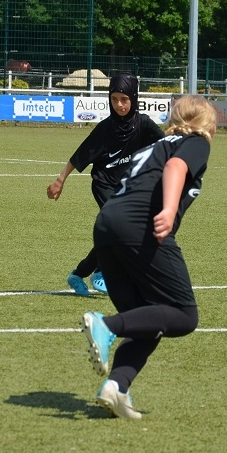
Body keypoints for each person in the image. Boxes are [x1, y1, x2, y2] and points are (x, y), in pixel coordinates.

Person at [80, 94, 216, 420]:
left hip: (107, 226)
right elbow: (176, 167)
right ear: (206, 125)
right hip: (140, 228)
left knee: (147, 321)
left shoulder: (154, 146)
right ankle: (106, 325)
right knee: (184, 315)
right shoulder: (195, 141)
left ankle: (116, 387)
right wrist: (169, 209)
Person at [47, 73, 164, 295]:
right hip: (104, 184)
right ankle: (100, 273)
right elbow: (79, 156)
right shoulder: (105, 128)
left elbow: (167, 143)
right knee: (122, 227)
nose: (119, 105)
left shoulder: (144, 124)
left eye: (124, 99)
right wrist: (60, 180)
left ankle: (80, 274)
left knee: (118, 233)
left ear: (134, 98)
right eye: (114, 99)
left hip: (127, 187)